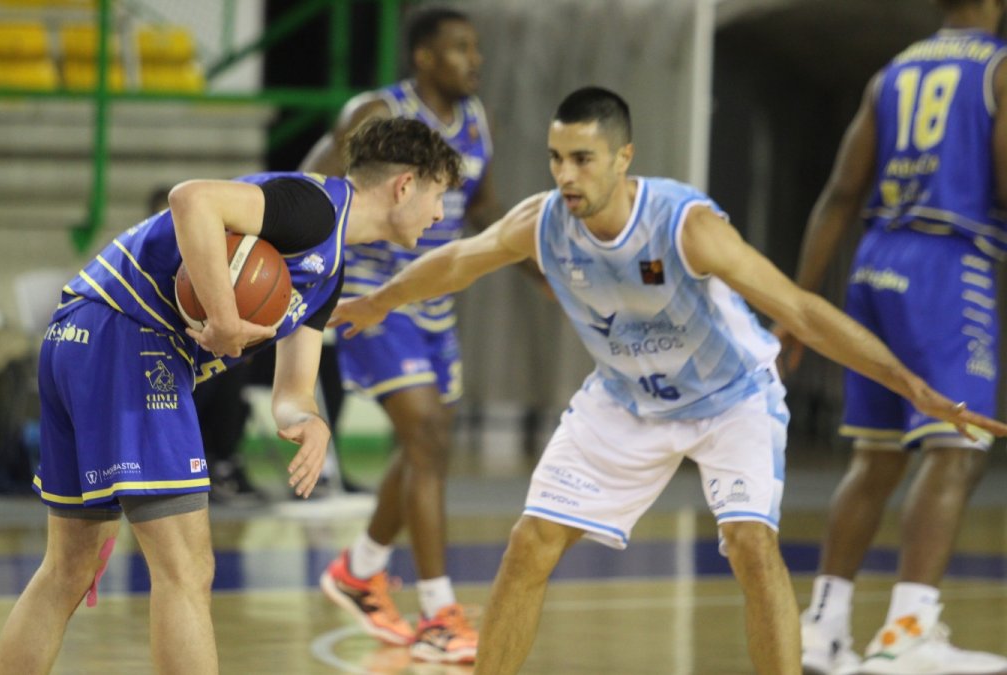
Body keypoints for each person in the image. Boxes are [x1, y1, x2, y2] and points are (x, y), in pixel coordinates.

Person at [327, 86, 1007, 675]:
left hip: (731, 397)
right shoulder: (542, 222)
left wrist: (910, 384)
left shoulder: (685, 225)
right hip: (627, 398)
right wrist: (379, 300)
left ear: (624, 158)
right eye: (556, 158)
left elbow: (799, 310)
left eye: (583, 158)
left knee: (750, 543)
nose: (566, 174)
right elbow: (456, 261)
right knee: (529, 542)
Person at [0, 116, 461, 675]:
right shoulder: (312, 207)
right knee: (187, 570)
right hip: (129, 334)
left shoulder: (330, 268)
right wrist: (224, 320)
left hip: (76, 334)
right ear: (405, 185)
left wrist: (306, 420)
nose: (440, 214)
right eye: (438, 197)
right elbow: (191, 200)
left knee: (69, 568)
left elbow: (292, 390)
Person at [779, 2, 1007, 673]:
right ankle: (908, 627)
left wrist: (797, 303)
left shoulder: (892, 72)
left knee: (875, 457)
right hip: (946, 261)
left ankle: (824, 624)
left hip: (874, 264)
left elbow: (841, 192)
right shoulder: (997, 68)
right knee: (960, 442)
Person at [302, 7, 499, 663]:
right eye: (459, 49)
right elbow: (312, 183)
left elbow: (486, 209)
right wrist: (303, 272)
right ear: (423, 57)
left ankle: (360, 569)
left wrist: (545, 268)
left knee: (426, 448)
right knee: (426, 436)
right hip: (372, 298)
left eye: (475, 48)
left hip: (436, 303)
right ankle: (438, 610)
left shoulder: (475, 122)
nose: (474, 59)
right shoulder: (379, 110)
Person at [147, 186, 264, 505]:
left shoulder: (209, 260)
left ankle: (221, 462)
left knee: (233, 371)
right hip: (157, 355)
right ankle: (183, 461)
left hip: (202, 350)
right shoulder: (147, 260)